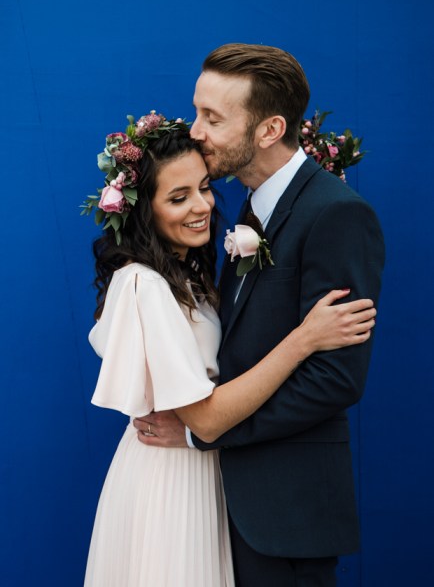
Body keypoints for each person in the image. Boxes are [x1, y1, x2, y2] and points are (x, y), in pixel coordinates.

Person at [83, 115, 377, 587]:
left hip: (207, 475)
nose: (201, 206)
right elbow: (206, 419)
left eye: (203, 188)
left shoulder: (189, 276)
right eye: (178, 198)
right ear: (144, 211)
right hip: (169, 481)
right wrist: (305, 338)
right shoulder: (145, 283)